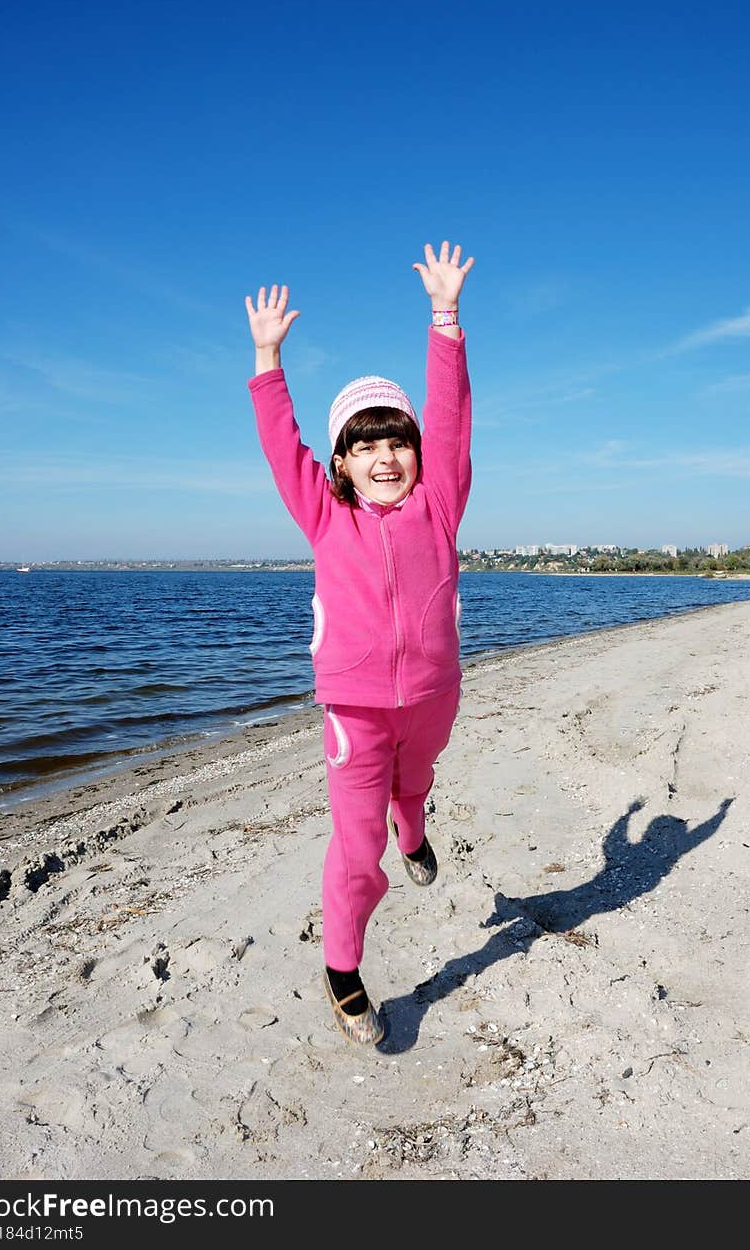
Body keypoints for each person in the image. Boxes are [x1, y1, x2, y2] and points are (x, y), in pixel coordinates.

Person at [245, 240, 474, 1046]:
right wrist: (269, 360)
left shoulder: (440, 504)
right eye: (365, 443)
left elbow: (448, 421)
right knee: (356, 842)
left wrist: (445, 320)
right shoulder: (325, 516)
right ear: (340, 461)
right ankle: (342, 966)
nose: (385, 454)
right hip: (355, 711)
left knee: (417, 783)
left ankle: (416, 828)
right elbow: (283, 446)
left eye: (396, 439)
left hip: (434, 697)